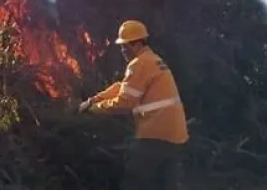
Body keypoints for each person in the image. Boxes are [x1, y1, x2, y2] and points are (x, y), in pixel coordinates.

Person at [78, 20, 188, 190]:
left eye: (125, 46)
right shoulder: (151, 60)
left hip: (155, 133)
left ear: (137, 43)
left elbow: (124, 103)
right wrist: (93, 99)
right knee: (166, 184)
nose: (122, 50)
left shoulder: (139, 64)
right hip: (175, 133)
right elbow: (122, 88)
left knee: (135, 180)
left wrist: (94, 109)